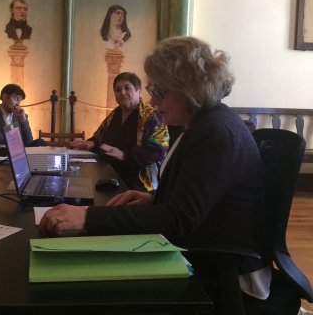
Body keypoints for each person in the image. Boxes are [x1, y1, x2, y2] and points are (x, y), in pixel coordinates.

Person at [40, 36, 271, 304]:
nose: (152, 99)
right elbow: (197, 202)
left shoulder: (216, 133)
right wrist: (154, 199)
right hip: (204, 245)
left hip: (221, 267)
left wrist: (87, 217)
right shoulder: (205, 124)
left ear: (189, 88)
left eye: (160, 91)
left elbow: (179, 220)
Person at [71, 72, 169, 192]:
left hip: (137, 185)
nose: (122, 92)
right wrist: (92, 144)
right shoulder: (114, 114)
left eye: (127, 88)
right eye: (118, 90)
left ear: (139, 91)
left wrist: (124, 155)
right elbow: (99, 138)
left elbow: (158, 151)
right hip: (106, 175)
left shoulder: (152, 117)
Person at [0, 83, 43, 179]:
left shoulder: (19, 115)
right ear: (5, 96)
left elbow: (28, 141)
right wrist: (16, 143)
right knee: (7, 151)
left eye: (20, 100)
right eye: (16, 99)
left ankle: (36, 178)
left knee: (40, 142)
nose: (18, 104)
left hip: (17, 152)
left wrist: (23, 119)